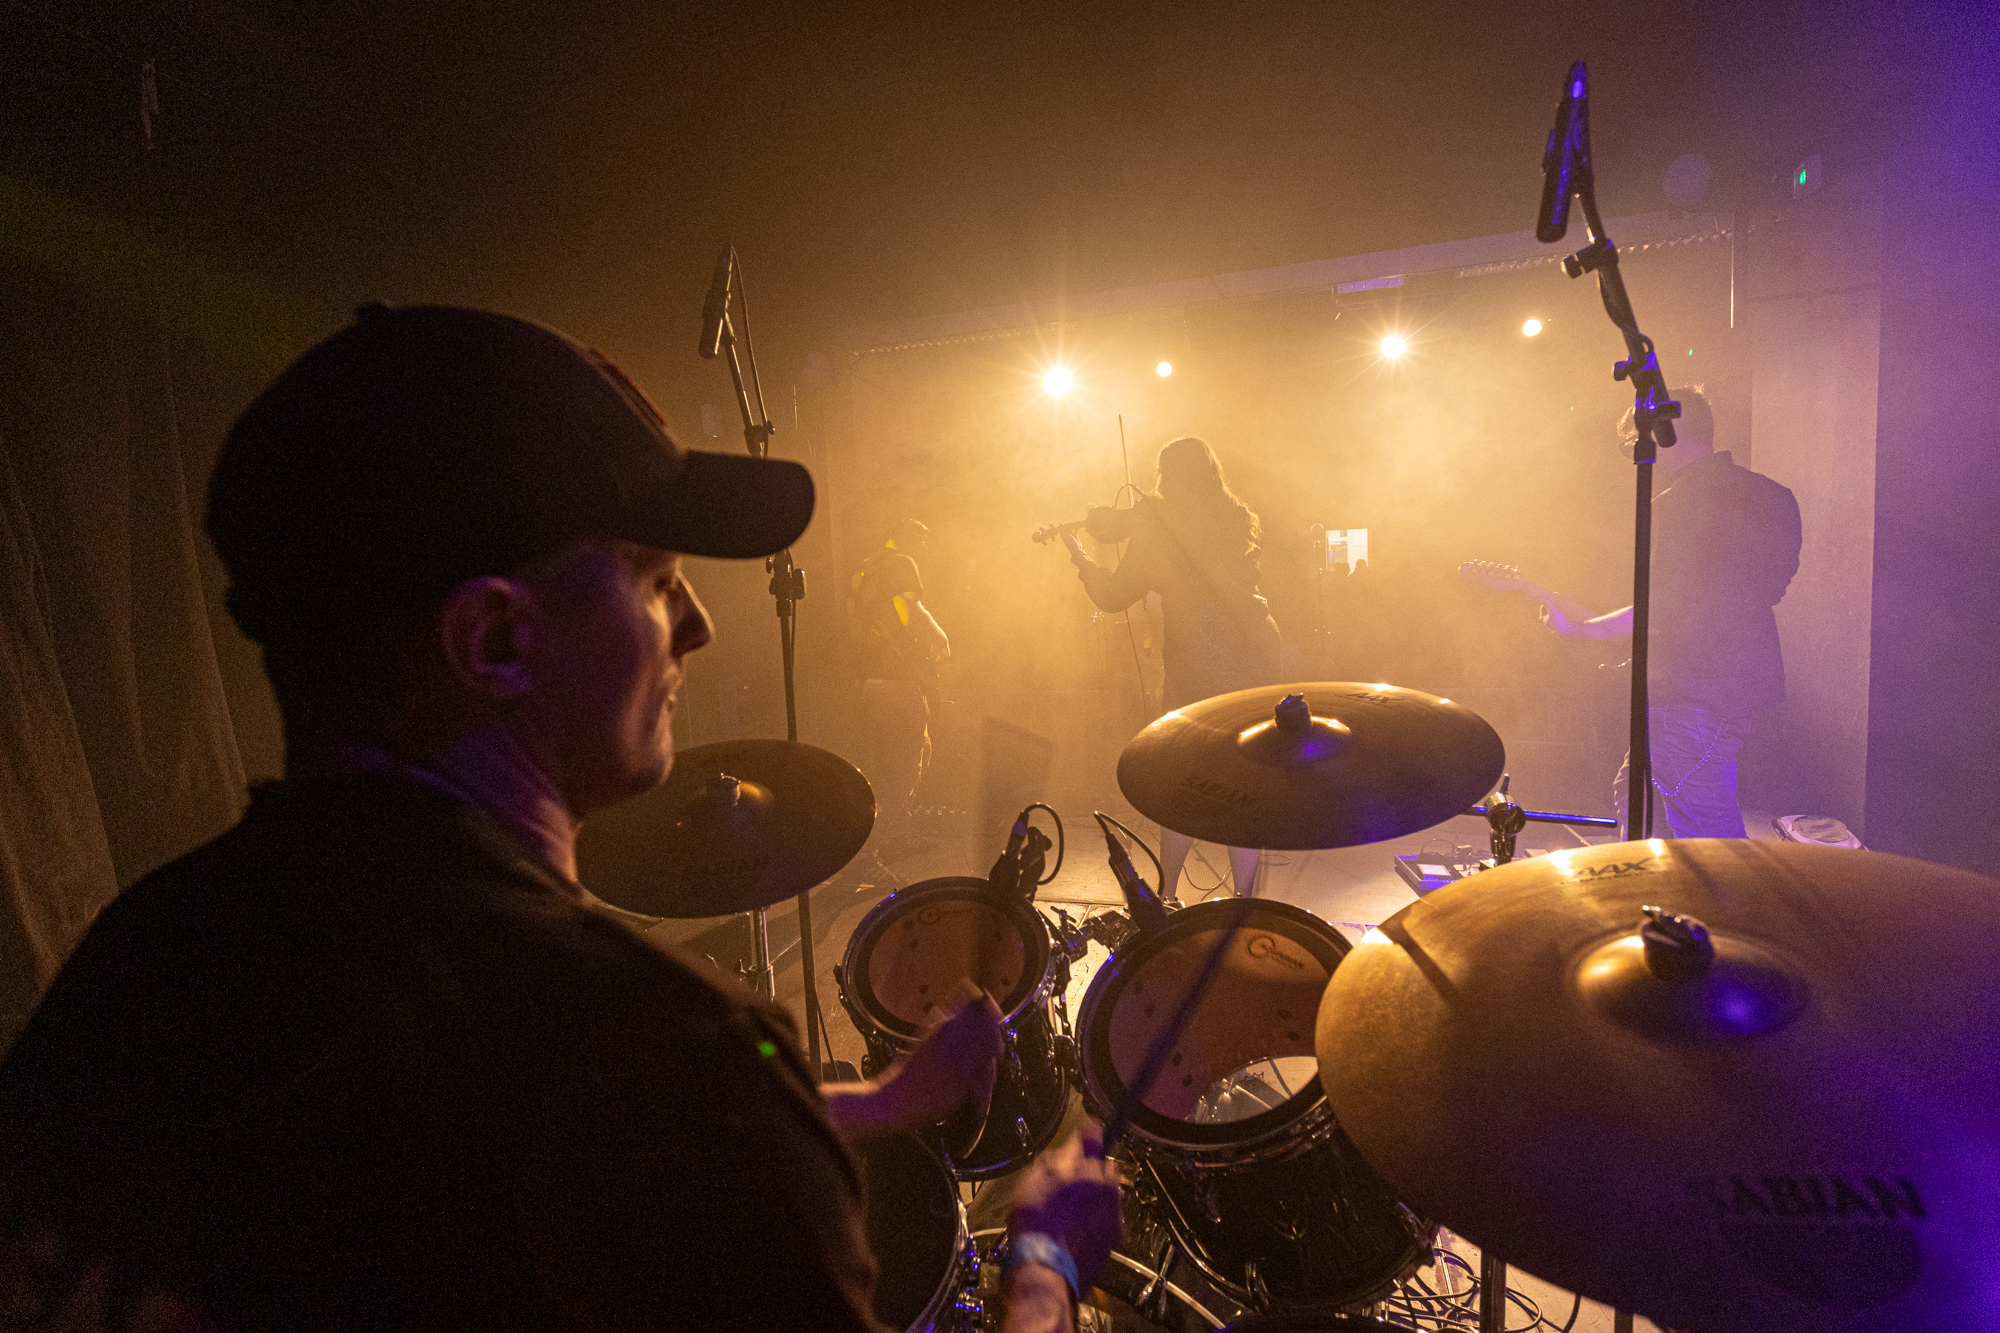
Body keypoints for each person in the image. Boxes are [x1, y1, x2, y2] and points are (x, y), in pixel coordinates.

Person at [0, 305, 1118, 1332]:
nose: (697, 626)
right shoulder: (668, 1046)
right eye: (652, 577)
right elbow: (596, 1106)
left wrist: (876, 1103)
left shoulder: (138, 968)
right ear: (494, 640)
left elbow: (473, 1161)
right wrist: (1042, 1269)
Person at [1538, 387, 1802, 838]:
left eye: (1635, 443)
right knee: (1633, 793)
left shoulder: (1678, 504)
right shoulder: (1774, 496)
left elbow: (1663, 611)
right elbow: (1767, 588)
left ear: (1668, 433)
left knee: (1712, 843)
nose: (1635, 458)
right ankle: (1653, 880)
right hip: (1735, 686)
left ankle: (1712, 889)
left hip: (1688, 693)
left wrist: (1577, 629)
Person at [1061, 437, 1280, 900]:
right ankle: (1243, 901)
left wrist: (1080, 555)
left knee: (1183, 776)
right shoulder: (1234, 516)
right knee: (1244, 776)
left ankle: (1167, 895)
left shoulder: (1159, 528)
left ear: (1166, 477)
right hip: (1255, 652)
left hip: (1198, 659)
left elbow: (1113, 595)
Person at [848, 519, 949, 874]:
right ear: (903, 537)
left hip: (871, 680)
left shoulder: (867, 567)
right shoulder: (901, 563)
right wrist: (939, 638)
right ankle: (869, 850)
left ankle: (895, 835)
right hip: (898, 680)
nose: (923, 547)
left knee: (916, 752)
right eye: (919, 539)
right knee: (907, 766)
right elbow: (912, 611)